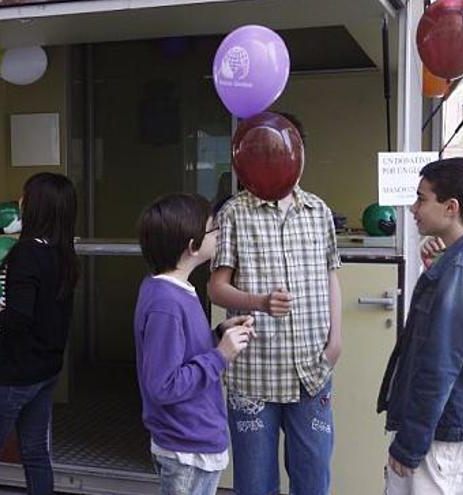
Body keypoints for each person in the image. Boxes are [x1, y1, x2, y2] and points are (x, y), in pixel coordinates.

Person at [208, 113, 343, 495]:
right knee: (254, 484)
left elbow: (331, 274)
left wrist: (336, 342)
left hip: (312, 369)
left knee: (313, 476)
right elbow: (217, 288)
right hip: (254, 371)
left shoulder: (318, 212)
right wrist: (260, 302)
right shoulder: (234, 212)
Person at [377, 157, 463, 495]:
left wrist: (410, 444)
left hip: (443, 442)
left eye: (421, 198)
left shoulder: (462, 271)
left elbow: (439, 366)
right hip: (444, 436)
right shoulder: (458, 261)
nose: (413, 207)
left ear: (451, 207)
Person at [134, 193, 255, 495]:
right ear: (192, 246)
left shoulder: (171, 288)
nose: (220, 235)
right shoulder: (166, 302)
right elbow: (164, 384)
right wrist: (221, 355)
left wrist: (218, 334)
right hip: (186, 447)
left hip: (191, 440)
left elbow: (182, 350)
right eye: (214, 230)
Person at [0, 172, 78, 495]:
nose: (19, 202)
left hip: (14, 374)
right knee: (35, 453)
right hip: (46, 370)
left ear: (36, 207)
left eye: (24, 197)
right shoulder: (64, 253)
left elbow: (18, 320)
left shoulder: (26, 253)